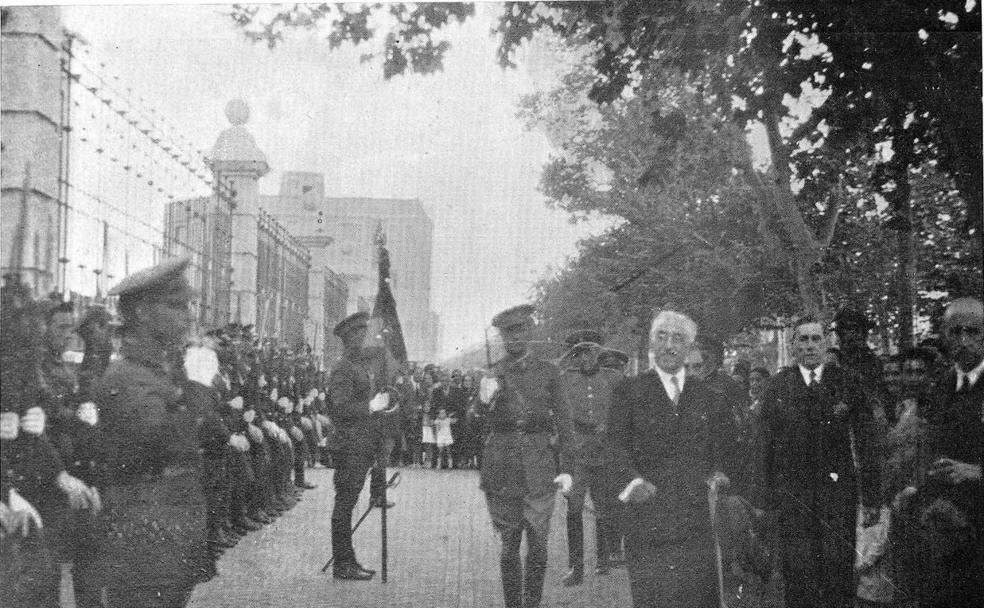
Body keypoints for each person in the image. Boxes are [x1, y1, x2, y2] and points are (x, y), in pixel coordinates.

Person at [90, 255, 211, 607]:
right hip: (143, 544)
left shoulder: (160, 372)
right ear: (143, 312)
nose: (188, 316)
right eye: (176, 306)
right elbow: (165, 443)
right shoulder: (127, 377)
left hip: (169, 540)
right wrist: (200, 389)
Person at [606, 310, 740, 608]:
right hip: (647, 519)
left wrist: (720, 472)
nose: (669, 346)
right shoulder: (628, 391)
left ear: (689, 347)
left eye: (678, 338)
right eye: (661, 337)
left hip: (695, 519)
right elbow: (614, 447)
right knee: (654, 598)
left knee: (697, 597)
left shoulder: (708, 396)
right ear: (651, 345)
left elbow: (726, 448)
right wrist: (632, 482)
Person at [758, 315, 882, 608]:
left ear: (826, 343)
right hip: (794, 497)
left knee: (838, 571)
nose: (810, 346)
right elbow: (764, 448)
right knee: (798, 574)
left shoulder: (847, 382)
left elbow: (866, 442)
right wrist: (764, 500)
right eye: (803, 339)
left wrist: (872, 498)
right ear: (793, 345)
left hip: (837, 495)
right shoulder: (778, 387)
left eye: (816, 339)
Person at [477, 304, 573, 608]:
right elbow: (476, 423)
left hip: (539, 469)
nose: (514, 338)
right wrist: (483, 400)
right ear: (502, 337)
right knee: (508, 546)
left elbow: (565, 422)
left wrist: (568, 467)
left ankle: (532, 603)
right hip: (502, 469)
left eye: (520, 331)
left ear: (530, 332)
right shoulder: (493, 373)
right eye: (508, 333)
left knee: (538, 543)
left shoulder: (549, 371)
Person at [911, 296, 983, 608]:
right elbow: (929, 447)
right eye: (955, 333)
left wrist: (977, 471)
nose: (964, 341)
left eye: (973, 332)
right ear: (944, 336)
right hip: (946, 525)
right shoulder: (939, 386)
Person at [556, 330, 622, 586]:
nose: (585, 358)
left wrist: (612, 427)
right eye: (580, 353)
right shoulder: (567, 378)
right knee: (573, 508)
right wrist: (567, 356)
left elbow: (626, 409)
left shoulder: (613, 378)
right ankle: (576, 567)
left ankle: (603, 560)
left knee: (604, 507)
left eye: (589, 352)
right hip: (577, 452)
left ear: (598, 354)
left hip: (603, 450)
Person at [326, 312, 386, 581]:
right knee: (345, 504)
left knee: (348, 503)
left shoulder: (358, 366)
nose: (364, 339)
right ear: (348, 338)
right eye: (359, 334)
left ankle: (347, 560)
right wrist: (370, 406)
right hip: (349, 445)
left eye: (364, 333)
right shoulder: (343, 368)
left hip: (359, 444)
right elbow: (339, 408)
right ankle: (343, 563)